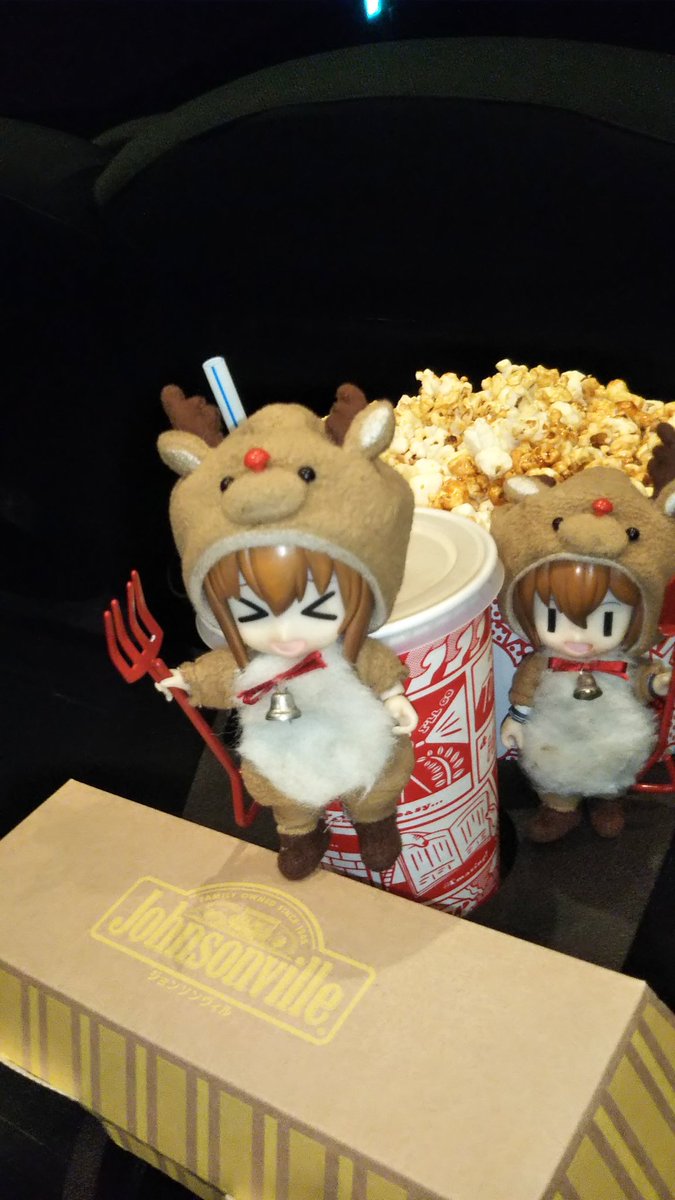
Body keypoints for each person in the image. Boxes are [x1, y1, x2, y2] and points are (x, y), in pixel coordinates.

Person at [156, 387, 418, 879]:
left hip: (349, 731)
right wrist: (186, 679)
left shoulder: (348, 654)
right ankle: (300, 833)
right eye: (252, 613)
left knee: (376, 769)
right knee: (282, 786)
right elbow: (221, 674)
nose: (285, 632)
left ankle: (375, 819)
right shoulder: (251, 666)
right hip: (282, 744)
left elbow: (376, 664)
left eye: (316, 607)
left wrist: (393, 694)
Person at [492, 466, 675, 841]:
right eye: (554, 619)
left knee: (614, 765)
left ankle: (608, 802)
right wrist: (516, 719)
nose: (579, 638)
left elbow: (643, 680)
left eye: (606, 622)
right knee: (553, 766)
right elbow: (525, 690)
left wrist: (656, 683)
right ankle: (560, 807)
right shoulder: (543, 663)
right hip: (557, 738)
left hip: (612, 738)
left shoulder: (623, 663)